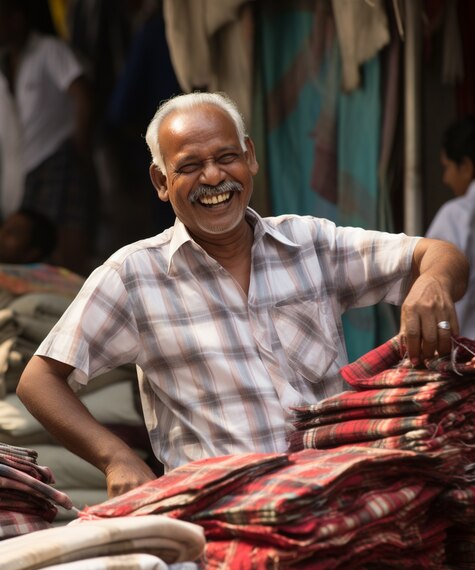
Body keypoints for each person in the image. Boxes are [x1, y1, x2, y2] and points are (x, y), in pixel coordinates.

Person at [16, 92, 469, 499]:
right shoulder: (134, 276)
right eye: (190, 166)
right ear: (160, 181)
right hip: (221, 515)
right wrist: (116, 457)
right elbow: (39, 381)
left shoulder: (310, 244)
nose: (213, 177)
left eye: (226, 157)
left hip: (333, 499)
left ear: (250, 157)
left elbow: (439, 255)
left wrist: (432, 282)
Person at [0, 0, 97, 275]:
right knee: (27, 250)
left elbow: (83, 95)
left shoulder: (49, 50)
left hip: (59, 158)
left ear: (16, 19)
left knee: (66, 251)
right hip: (24, 169)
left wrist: (80, 147)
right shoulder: (5, 64)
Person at [426, 116, 475, 339]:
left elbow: (430, 292)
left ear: (466, 166)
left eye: (447, 167)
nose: (445, 178)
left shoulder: (457, 214)